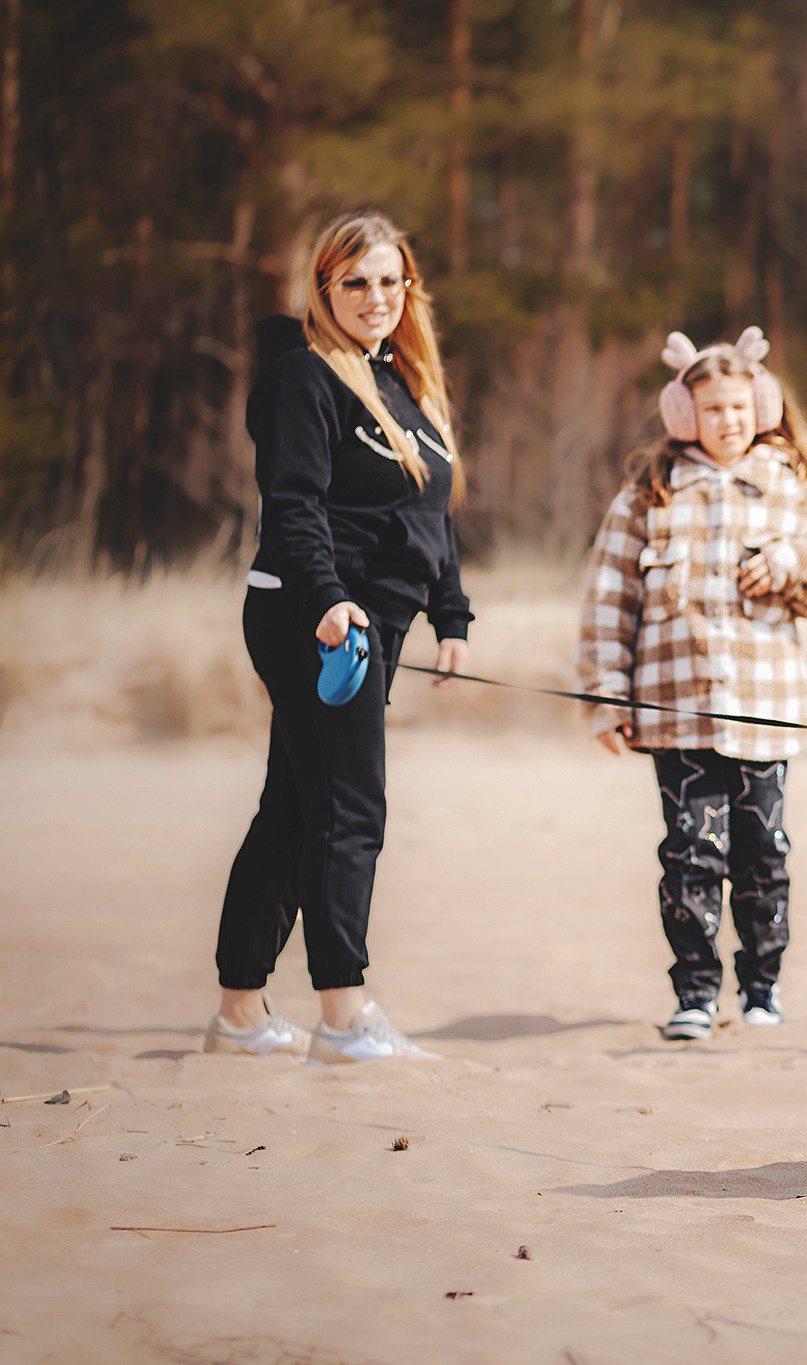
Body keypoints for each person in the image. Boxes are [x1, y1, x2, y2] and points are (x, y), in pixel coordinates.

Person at [207, 209, 470, 1065]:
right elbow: (293, 505)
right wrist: (327, 600)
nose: (375, 296)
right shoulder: (306, 377)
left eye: (390, 280)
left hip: (372, 620)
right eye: (355, 280)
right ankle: (345, 1014)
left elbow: (428, 512)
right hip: (313, 615)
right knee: (350, 806)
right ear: (324, 288)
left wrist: (452, 615)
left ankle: (241, 1012)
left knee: (295, 803)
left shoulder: (399, 382)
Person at [578, 327, 807, 1042]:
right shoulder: (651, 493)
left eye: (738, 406)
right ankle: (695, 990)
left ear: (759, 405)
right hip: (677, 714)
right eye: (711, 408)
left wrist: (791, 564)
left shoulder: (787, 485)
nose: (726, 420)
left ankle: (762, 984)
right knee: (690, 853)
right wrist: (608, 692)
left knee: (763, 853)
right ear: (681, 414)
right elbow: (609, 599)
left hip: (766, 711)